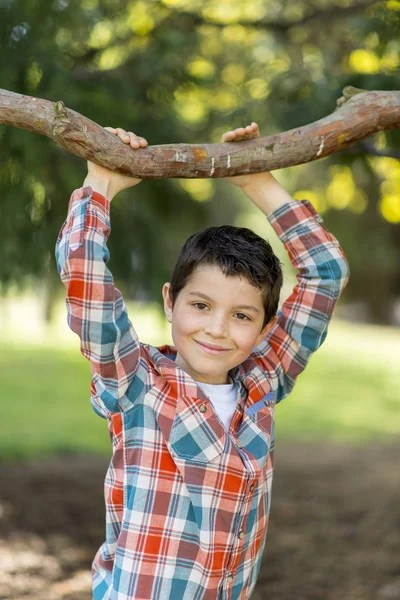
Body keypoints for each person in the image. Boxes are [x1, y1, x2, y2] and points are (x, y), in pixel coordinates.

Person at [55, 122, 350, 600]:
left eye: (241, 315)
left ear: (263, 326)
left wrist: (255, 178)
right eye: (200, 305)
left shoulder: (264, 379)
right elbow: (87, 281)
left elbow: (326, 272)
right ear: (170, 301)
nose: (216, 329)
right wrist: (101, 182)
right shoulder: (136, 381)